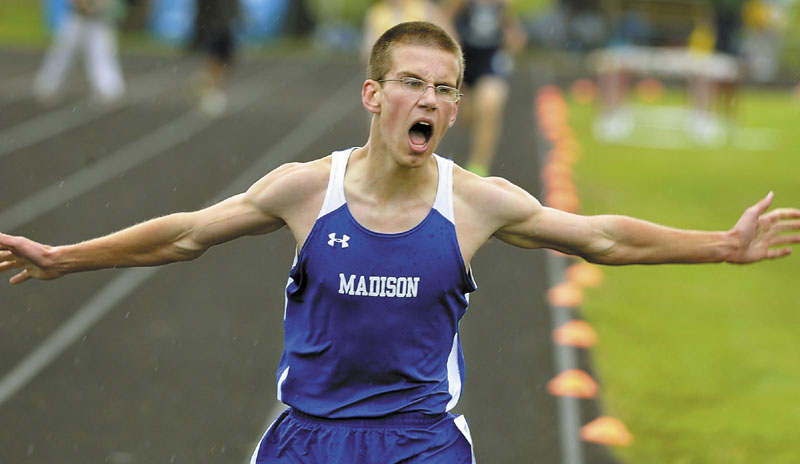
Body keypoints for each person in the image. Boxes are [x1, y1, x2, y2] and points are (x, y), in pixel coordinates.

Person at [3, 21, 800, 463]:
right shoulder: (303, 189)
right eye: (414, 82)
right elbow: (182, 237)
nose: (432, 99)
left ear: (454, 109)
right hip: (305, 438)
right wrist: (64, 256)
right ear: (373, 94)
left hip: (422, 441)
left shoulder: (476, 202)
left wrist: (721, 246)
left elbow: (600, 237)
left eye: (445, 88)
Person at [442, 0, 527, 176]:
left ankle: (478, 168)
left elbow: (515, 33)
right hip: (463, 59)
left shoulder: (503, 5)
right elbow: (444, 19)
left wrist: (513, 38)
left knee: (490, 104)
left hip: (490, 62)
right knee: (467, 117)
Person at [33, 0, 127, 105]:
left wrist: (95, 6)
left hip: (99, 20)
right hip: (77, 18)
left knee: (101, 56)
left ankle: (109, 90)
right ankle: (48, 86)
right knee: (62, 54)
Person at [189, 0, 240, 117]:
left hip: (224, 25)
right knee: (216, 60)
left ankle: (203, 80)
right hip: (217, 26)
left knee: (227, 64)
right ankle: (211, 90)